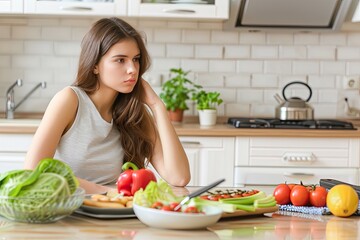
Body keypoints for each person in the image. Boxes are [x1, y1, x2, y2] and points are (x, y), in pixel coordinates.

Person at [24, 17, 190, 194]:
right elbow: (33, 171)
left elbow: (179, 177)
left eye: (136, 59)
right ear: (95, 65)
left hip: (113, 210)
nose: (133, 69)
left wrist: (157, 107)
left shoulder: (134, 113)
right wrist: (104, 191)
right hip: (69, 210)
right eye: (120, 60)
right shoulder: (69, 100)